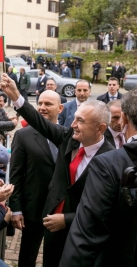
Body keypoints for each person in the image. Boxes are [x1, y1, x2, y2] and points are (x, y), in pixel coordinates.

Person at [0, 74, 114, 267]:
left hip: (78, 228)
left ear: (100, 128)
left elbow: (103, 208)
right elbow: (39, 121)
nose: (72, 124)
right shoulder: (69, 137)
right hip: (50, 219)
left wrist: (67, 220)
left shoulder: (110, 160)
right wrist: (16, 96)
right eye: (74, 118)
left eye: (80, 121)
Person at [59, 89, 137, 267]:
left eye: (80, 120)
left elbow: (88, 232)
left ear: (123, 118)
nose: (73, 125)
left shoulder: (108, 163)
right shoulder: (71, 141)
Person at [9, 89, 63, 267]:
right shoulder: (23, 135)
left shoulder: (68, 134)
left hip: (60, 208)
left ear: (60, 108)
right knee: (28, 255)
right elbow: (16, 174)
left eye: (48, 104)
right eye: (39, 103)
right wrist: (16, 209)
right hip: (34, 208)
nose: (42, 107)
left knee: (55, 255)